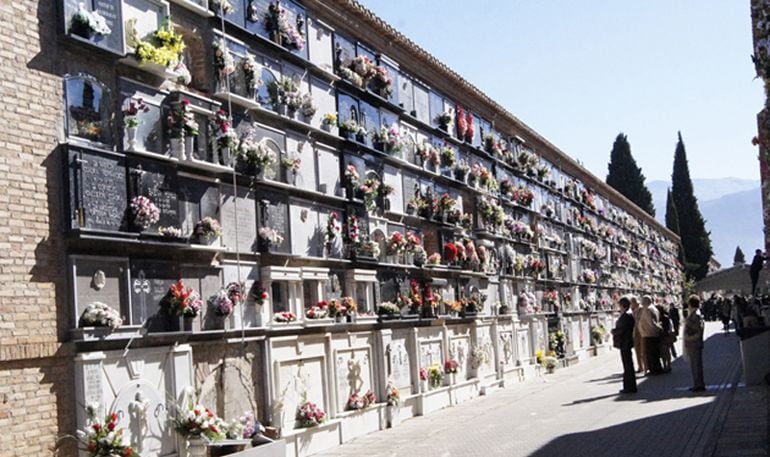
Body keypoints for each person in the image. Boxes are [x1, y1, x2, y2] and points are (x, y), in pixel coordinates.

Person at [612, 296, 637, 394]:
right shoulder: (629, 315)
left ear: (622, 305)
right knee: (628, 364)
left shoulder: (626, 316)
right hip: (627, 342)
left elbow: (622, 329)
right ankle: (630, 385)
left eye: (619, 305)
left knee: (627, 365)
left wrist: (614, 331)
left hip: (625, 342)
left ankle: (629, 387)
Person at [683, 294, 706, 392]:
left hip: (694, 344)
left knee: (696, 365)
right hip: (693, 343)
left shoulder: (696, 315)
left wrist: (689, 337)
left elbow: (698, 330)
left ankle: (699, 384)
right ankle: (696, 383)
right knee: (694, 365)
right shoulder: (693, 314)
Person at [638, 295, 664, 374]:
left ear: (646, 301)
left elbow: (651, 322)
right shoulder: (654, 309)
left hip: (649, 333)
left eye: (642, 301)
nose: (641, 303)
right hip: (652, 334)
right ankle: (656, 368)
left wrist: (656, 328)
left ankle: (654, 369)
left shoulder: (648, 310)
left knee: (651, 353)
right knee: (655, 352)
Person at [630, 296, 647, 374]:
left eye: (632, 303)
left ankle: (645, 366)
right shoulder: (633, 310)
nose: (631, 305)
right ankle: (640, 366)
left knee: (643, 349)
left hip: (641, 331)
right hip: (635, 331)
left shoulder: (641, 309)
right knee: (637, 350)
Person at [657, 304, 673, 372]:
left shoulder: (661, 318)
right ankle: (668, 365)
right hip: (667, 336)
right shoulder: (666, 318)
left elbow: (664, 328)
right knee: (667, 352)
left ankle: (666, 365)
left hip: (663, 336)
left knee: (664, 352)